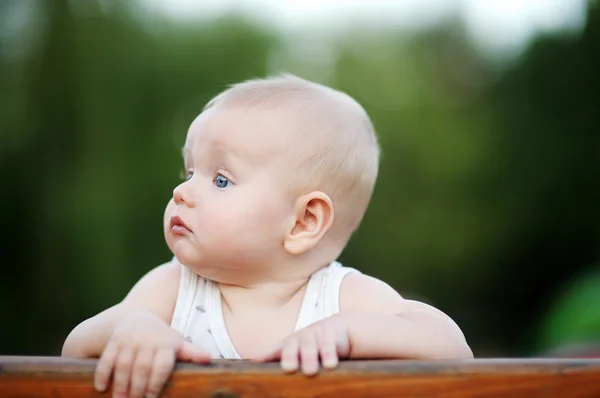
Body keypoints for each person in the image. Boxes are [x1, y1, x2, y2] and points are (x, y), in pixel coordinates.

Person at [62, 74, 473, 398]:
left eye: (220, 179)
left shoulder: (338, 300)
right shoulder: (177, 289)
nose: (182, 192)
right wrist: (134, 327)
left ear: (303, 223)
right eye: (189, 172)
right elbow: (74, 350)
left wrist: (351, 332)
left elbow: (454, 349)